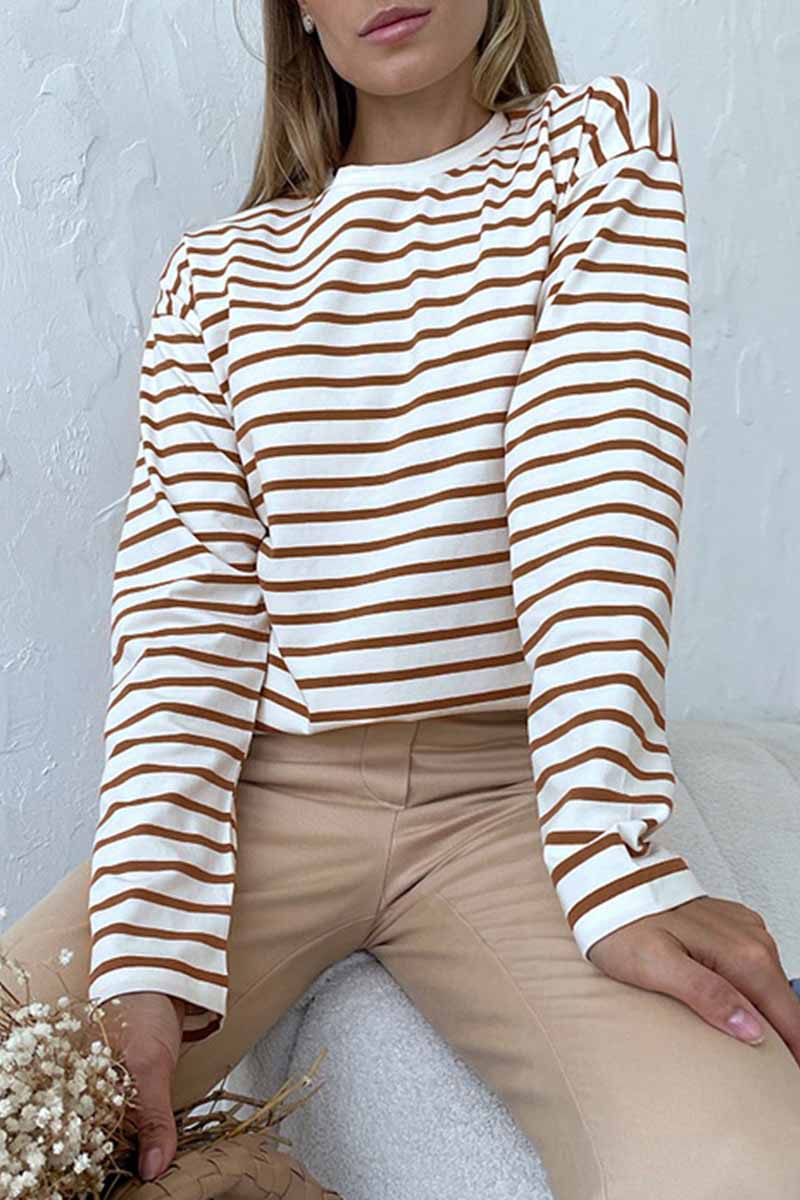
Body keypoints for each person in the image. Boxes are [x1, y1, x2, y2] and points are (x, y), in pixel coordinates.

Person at [3, 2, 800, 1197]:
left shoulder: (595, 147)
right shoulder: (218, 277)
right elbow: (184, 621)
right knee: (20, 1102)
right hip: (274, 795)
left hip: (510, 801)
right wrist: (143, 961)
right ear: (299, 10)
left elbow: (593, 495)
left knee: (742, 1171)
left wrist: (608, 861)